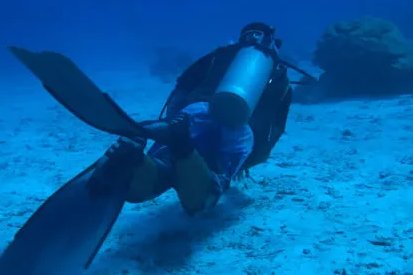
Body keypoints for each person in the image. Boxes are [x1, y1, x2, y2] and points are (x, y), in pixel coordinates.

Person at [93, 22, 293, 216]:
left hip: (194, 113)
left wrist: (172, 123)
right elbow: (274, 131)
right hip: (239, 131)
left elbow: (182, 86)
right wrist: (251, 158)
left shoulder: (220, 54)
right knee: (202, 199)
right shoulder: (280, 77)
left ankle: (135, 155)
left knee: (162, 168)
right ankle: (182, 144)